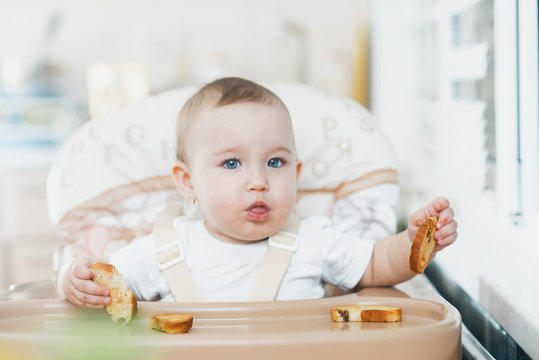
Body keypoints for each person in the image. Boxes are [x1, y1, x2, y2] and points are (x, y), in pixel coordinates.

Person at [58, 77, 458, 307]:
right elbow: (101, 283)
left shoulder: (314, 242)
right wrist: (71, 281)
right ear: (187, 183)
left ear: (296, 175)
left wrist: (413, 243)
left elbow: (374, 265)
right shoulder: (161, 252)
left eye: (276, 162)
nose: (258, 181)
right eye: (231, 163)